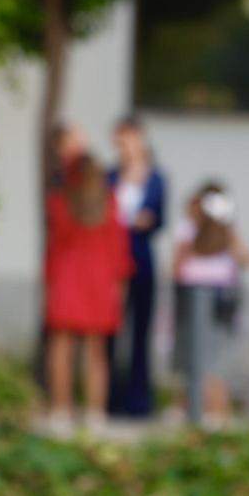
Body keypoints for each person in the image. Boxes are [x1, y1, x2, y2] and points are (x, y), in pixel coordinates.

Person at [171, 182, 249, 428]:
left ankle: (216, 413)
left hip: (220, 305)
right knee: (201, 362)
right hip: (195, 301)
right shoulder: (189, 231)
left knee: (213, 363)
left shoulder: (226, 232)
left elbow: (245, 256)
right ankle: (207, 411)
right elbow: (177, 266)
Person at [44, 150, 132, 437]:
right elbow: (119, 249)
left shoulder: (60, 204)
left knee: (61, 348)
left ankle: (61, 409)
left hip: (67, 281)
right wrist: (120, 285)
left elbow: (54, 247)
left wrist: (49, 281)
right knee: (96, 354)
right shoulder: (110, 205)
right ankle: (94, 413)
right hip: (99, 283)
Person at [106, 115, 166, 418]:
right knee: (110, 331)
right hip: (113, 261)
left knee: (140, 332)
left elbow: (159, 219)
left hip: (141, 259)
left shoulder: (156, 177)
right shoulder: (110, 176)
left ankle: (139, 399)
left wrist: (145, 221)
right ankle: (109, 397)